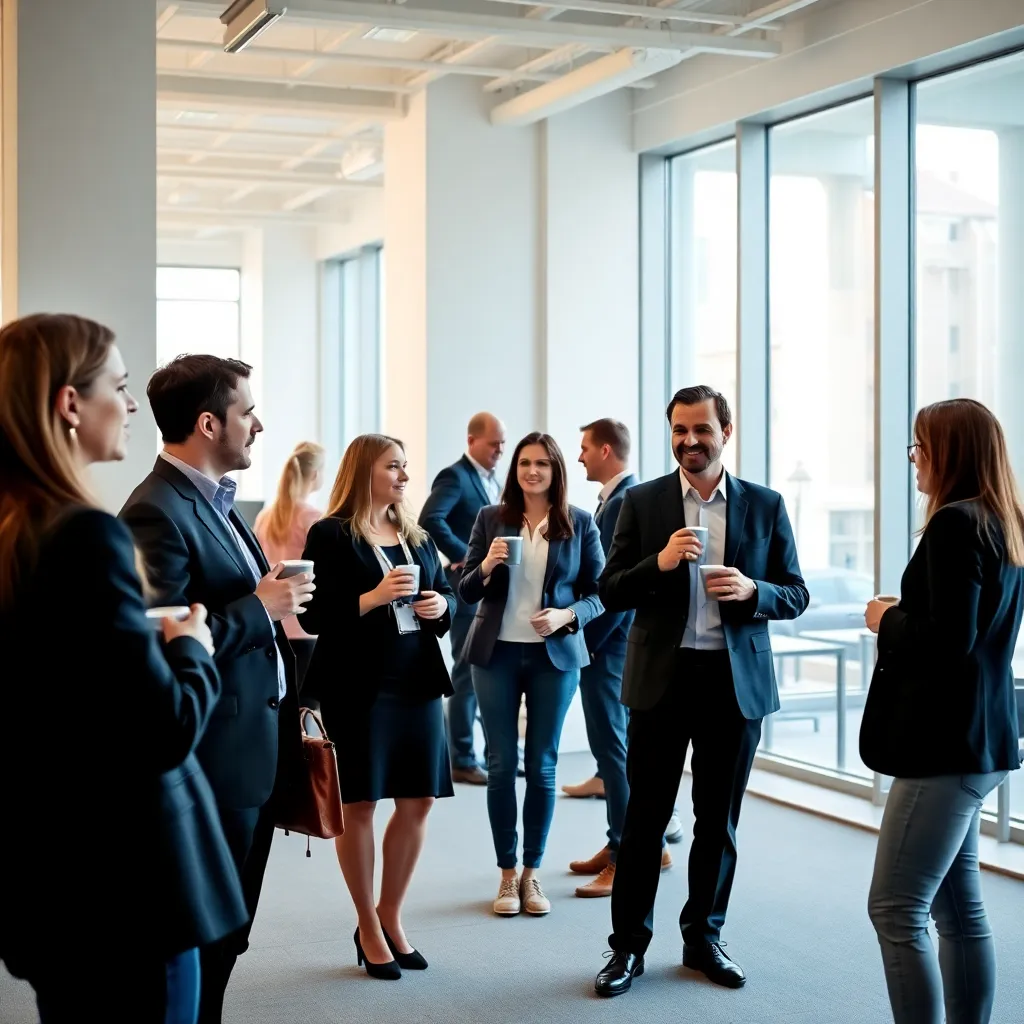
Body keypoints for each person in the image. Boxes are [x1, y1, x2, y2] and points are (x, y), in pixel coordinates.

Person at [0, 314, 247, 1023]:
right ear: (69, 404)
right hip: (127, 882)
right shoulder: (85, 535)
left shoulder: (15, 531)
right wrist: (191, 644)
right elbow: (163, 729)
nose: (133, 405)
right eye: (120, 385)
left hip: (49, 870)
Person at [593, 385, 808, 997]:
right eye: (679, 430)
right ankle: (627, 948)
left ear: (725, 432)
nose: (690, 441)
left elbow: (795, 592)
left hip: (732, 685)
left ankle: (704, 938)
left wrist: (754, 591)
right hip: (661, 681)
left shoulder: (765, 504)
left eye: (702, 429)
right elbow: (610, 588)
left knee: (718, 822)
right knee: (644, 820)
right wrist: (660, 562)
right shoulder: (642, 501)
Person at [120, 355, 313, 1023]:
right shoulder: (155, 511)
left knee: (228, 937)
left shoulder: (217, 502)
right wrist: (260, 607)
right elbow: (160, 647)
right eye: (247, 412)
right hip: (210, 762)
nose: (258, 425)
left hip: (251, 751)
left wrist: (273, 601)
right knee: (201, 946)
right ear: (209, 424)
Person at [863, 398, 1024, 1024]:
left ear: (948, 453)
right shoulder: (1003, 520)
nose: (914, 459)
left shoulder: (956, 524)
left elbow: (948, 640)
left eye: (920, 447)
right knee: (958, 910)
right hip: (983, 738)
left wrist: (886, 619)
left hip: (944, 745)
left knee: (895, 907)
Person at [301, 434, 456, 979]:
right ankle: (367, 924)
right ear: (364, 471)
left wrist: (440, 606)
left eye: (406, 466)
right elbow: (312, 616)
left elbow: (447, 598)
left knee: (419, 801)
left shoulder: (418, 537)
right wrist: (372, 598)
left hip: (417, 681)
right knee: (360, 804)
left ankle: (391, 913)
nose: (405, 476)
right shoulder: (330, 534)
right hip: (357, 685)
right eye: (394, 466)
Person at [460, 432, 605, 916]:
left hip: (553, 658)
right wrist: (486, 565)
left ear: (555, 470)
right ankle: (506, 875)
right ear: (515, 469)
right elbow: (465, 590)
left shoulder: (579, 523)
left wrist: (567, 616)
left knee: (542, 765)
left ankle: (531, 872)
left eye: (542, 463)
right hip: (496, 654)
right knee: (502, 764)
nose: (532, 471)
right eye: (524, 463)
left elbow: (600, 594)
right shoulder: (491, 518)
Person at [568, 419, 675, 899]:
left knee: (615, 752)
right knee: (612, 750)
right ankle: (624, 843)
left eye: (585, 448)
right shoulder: (614, 499)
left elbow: (617, 590)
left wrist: (588, 644)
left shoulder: (626, 501)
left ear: (606, 450)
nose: (580, 457)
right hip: (610, 646)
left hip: (608, 647)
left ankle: (629, 854)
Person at [420, 411, 506, 784]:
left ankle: (490, 754)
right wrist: (462, 555)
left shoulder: (492, 479)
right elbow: (430, 519)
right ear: (472, 441)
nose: (500, 450)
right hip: (467, 588)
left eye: (503, 444)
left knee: (485, 671)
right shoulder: (455, 476)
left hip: (489, 589)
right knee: (467, 672)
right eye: (494, 444)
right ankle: (462, 758)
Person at [254, 440, 325, 686]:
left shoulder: (264, 517)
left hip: (273, 623)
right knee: (306, 703)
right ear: (315, 475)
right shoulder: (313, 518)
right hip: (303, 624)